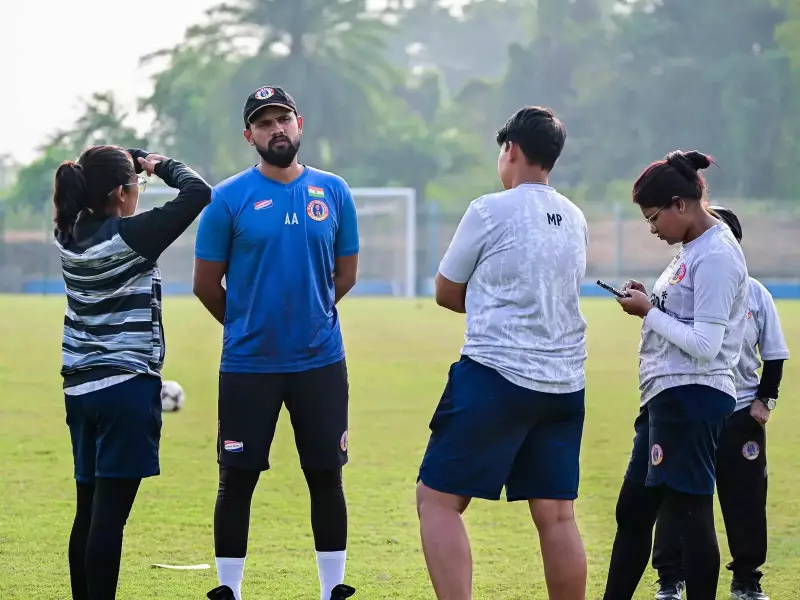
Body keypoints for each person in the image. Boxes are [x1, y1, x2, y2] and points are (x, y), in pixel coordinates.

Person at [415, 106, 590, 600]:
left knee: (438, 500)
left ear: (510, 149)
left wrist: (489, 303)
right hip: (565, 383)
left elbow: (446, 290)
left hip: (497, 375)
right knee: (557, 515)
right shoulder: (575, 217)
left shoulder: (489, 210)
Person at [192, 86, 359, 600]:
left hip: (320, 362)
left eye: (283, 119)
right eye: (264, 123)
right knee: (236, 478)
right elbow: (205, 284)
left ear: (299, 124)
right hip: (249, 365)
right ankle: (228, 590)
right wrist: (247, 324)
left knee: (326, 475)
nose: (276, 129)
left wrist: (310, 316)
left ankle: (333, 589)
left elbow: (345, 275)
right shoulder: (227, 199)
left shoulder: (334, 191)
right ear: (250, 136)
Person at [54, 145, 212, 599]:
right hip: (125, 388)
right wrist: (156, 163)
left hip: (80, 390)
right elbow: (199, 192)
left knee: (87, 513)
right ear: (121, 194)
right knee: (110, 521)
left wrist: (129, 166)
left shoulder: (66, 234)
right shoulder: (130, 238)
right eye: (137, 186)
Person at [603, 150, 750, 600]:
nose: (652, 229)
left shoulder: (717, 255)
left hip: (693, 397)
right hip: (666, 396)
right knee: (633, 511)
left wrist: (647, 313)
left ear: (679, 204)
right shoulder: (693, 249)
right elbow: (683, 318)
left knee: (690, 514)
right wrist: (651, 302)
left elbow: (706, 345)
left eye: (653, 217)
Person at [651, 205, 790, 600]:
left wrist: (765, 401)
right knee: (678, 495)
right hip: (691, 408)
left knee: (745, 499)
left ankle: (746, 579)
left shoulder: (756, 294)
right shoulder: (683, 288)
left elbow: (775, 354)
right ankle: (670, 579)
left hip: (739, 412)